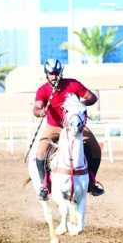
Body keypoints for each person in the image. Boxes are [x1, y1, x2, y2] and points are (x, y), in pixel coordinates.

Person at [33, 58, 104, 200]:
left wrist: (80, 103)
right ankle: (44, 186)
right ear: (46, 74)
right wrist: (40, 111)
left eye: (56, 73)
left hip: (75, 126)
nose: (54, 76)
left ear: (61, 73)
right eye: (51, 74)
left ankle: (91, 182)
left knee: (95, 149)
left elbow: (92, 97)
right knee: (40, 152)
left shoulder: (73, 84)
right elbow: (36, 108)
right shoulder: (43, 90)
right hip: (54, 126)